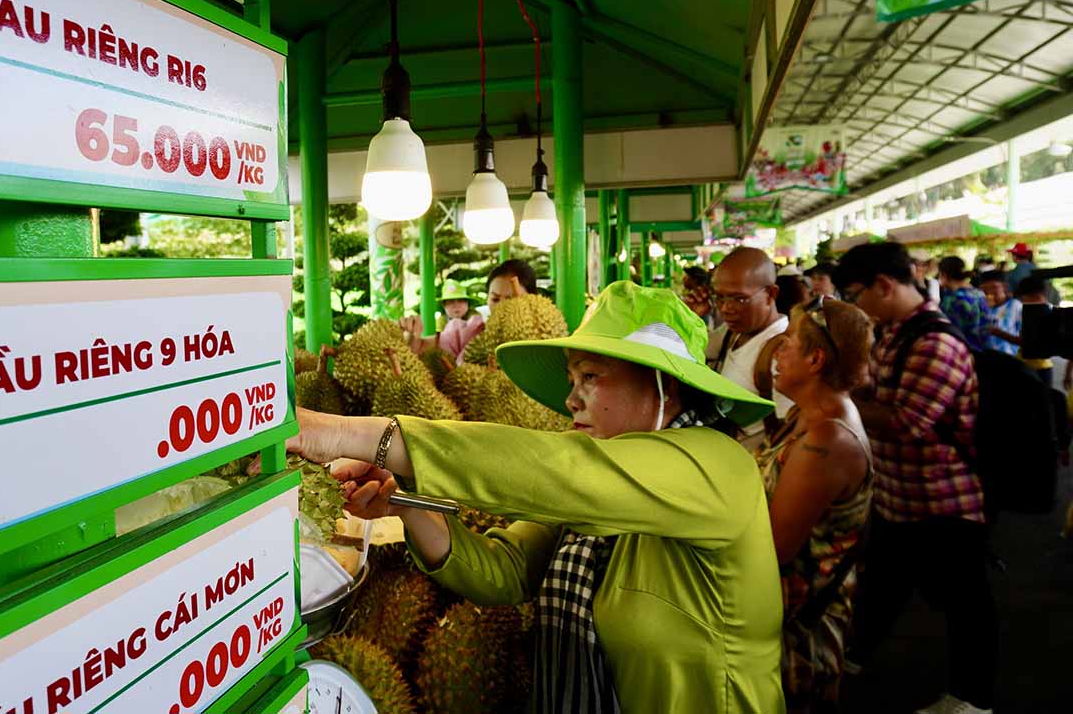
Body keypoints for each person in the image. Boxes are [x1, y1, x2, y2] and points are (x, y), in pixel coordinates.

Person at [285, 282, 786, 712]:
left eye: (590, 377)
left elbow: (558, 471)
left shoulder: (720, 468)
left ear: (665, 386)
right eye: (572, 380)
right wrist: (406, 505)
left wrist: (347, 434)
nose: (571, 400)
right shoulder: (592, 492)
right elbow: (505, 569)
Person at [834, 242, 997, 714]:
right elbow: (876, 388)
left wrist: (837, 404)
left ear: (884, 285)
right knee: (884, 582)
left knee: (967, 604)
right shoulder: (894, 333)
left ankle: (974, 698)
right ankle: (854, 655)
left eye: (856, 292)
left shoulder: (934, 342)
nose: (855, 304)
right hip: (898, 496)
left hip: (946, 501)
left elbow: (908, 421)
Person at [757, 297, 874, 714]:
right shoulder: (808, 416)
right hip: (785, 617)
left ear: (816, 358)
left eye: (788, 341)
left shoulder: (828, 440)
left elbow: (774, 549)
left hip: (800, 635)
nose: (777, 350)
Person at [707, 247, 794, 452]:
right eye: (719, 298)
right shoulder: (731, 332)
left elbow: (790, 432)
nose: (726, 308)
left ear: (770, 294)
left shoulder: (782, 352)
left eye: (739, 299)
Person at [402, 259, 535, 357]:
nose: (501, 306)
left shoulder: (543, 340)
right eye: (495, 299)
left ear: (533, 300)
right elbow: (424, 347)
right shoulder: (469, 332)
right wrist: (412, 335)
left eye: (511, 299)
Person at [937, 256, 992, 352]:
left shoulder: (953, 299)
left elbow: (949, 332)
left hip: (963, 352)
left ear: (944, 275)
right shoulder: (978, 293)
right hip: (983, 349)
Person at [1017, 276, 1056, 387]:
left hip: (1040, 368)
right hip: (1028, 365)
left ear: (1036, 296)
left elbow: (1029, 342)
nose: (1022, 301)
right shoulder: (1031, 312)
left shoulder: (1045, 314)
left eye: (1023, 298)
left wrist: (997, 332)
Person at [978, 270, 1022, 357]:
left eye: (994, 287)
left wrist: (997, 332)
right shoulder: (978, 306)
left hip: (1008, 358)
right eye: (984, 289)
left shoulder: (1015, 306)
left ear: (1004, 287)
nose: (989, 292)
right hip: (983, 358)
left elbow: (1024, 339)